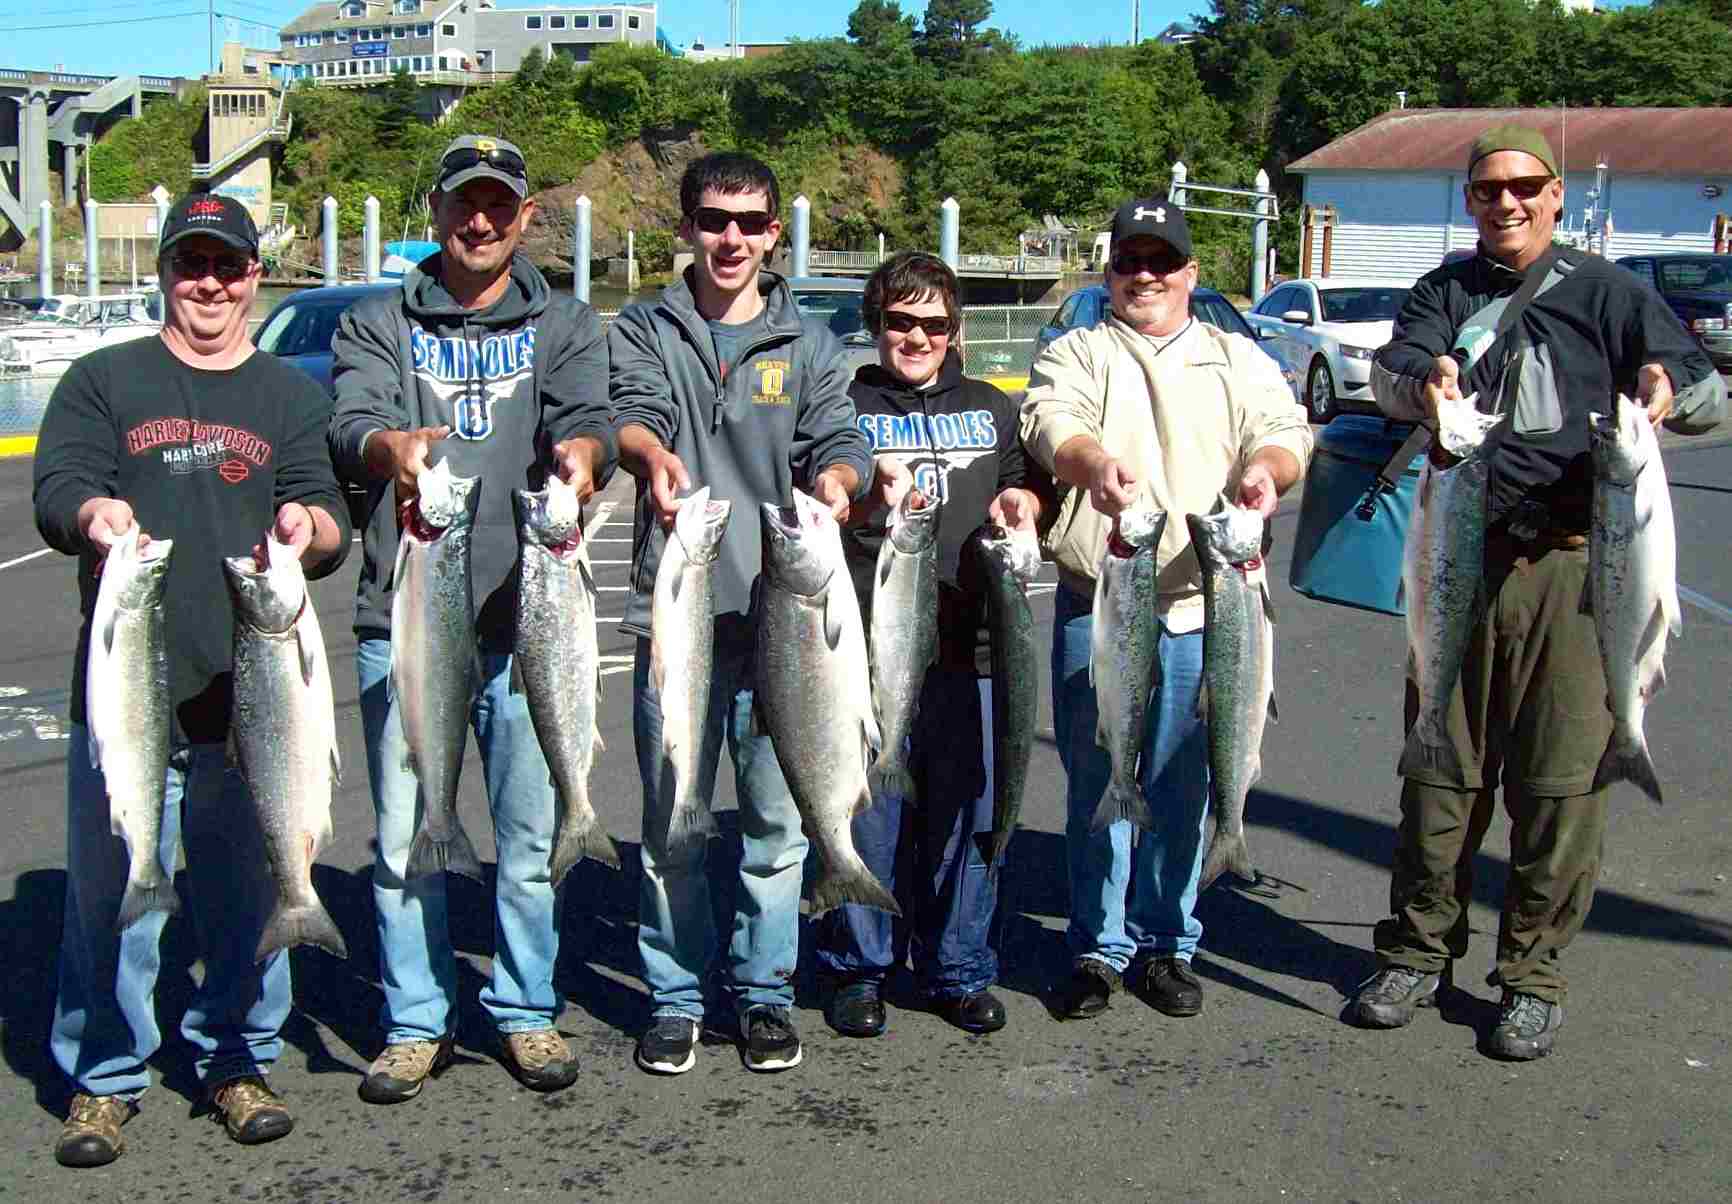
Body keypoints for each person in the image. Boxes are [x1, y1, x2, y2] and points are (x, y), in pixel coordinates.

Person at [1351, 125, 1724, 1059]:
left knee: (1561, 787)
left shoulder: (1608, 289)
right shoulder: (1446, 287)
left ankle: (1531, 976)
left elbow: (1698, 378)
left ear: (1555, 194)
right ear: (1470, 202)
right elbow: (1396, 366)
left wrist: (1665, 384)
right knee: (1439, 767)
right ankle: (1416, 949)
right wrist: (1423, 383)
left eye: (1524, 186)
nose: (1505, 203)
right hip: (1462, 557)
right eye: (1486, 191)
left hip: (1576, 564)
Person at [35, 193, 352, 1165]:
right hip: (129, 693)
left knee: (247, 892)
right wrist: (94, 515)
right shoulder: (103, 378)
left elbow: (325, 512)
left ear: (255, 276)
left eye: (227, 265)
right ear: (167, 272)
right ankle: (105, 1075)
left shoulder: (289, 396)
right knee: (108, 892)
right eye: (190, 264)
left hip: (248, 698)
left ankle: (238, 1057)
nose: (208, 283)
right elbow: (57, 489)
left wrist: (310, 530)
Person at [327, 135, 615, 1102]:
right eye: (463, 203)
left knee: (530, 842)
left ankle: (526, 1013)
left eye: (499, 205)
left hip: (530, 624)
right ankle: (415, 1022)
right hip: (405, 621)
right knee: (407, 835)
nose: (479, 221)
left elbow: (589, 415)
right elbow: (349, 423)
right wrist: (388, 445)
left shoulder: (569, 321)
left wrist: (581, 458)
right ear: (437, 210)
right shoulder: (378, 319)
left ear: (525, 216)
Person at [1020, 198, 1312, 1022]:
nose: (1143, 276)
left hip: (1209, 604)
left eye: (1160, 262)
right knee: (1100, 781)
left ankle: (1166, 942)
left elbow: (1287, 429)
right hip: (1104, 600)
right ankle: (1095, 945)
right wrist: (1093, 464)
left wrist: (1268, 469)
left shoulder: (1237, 355)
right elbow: (1051, 424)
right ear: (1108, 273)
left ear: (1189, 274)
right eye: (1127, 262)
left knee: (1187, 782)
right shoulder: (1076, 349)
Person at [610, 151, 871, 1075]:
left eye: (751, 223)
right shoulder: (646, 326)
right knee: (672, 817)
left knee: (776, 825)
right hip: (678, 613)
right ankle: (676, 996)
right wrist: (649, 456)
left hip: (786, 620)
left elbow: (838, 436)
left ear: (774, 233)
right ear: (687, 226)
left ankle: (764, 994)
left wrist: (839, 482)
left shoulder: (812, 342)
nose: (732, 239)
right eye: (714, 220)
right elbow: (629, 415)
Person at [813, 252, 1048, 1038]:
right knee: (869, 814)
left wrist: (1023, 498)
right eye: (900, 321)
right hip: (869, 653)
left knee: (970, 813)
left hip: (974, 646)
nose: (916, 336)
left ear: (956, 332)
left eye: (934, 324)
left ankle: (959, 967)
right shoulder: (842, 404)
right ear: (875, 325)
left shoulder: (992, 404)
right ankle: (858, 968)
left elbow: (1022, 478)